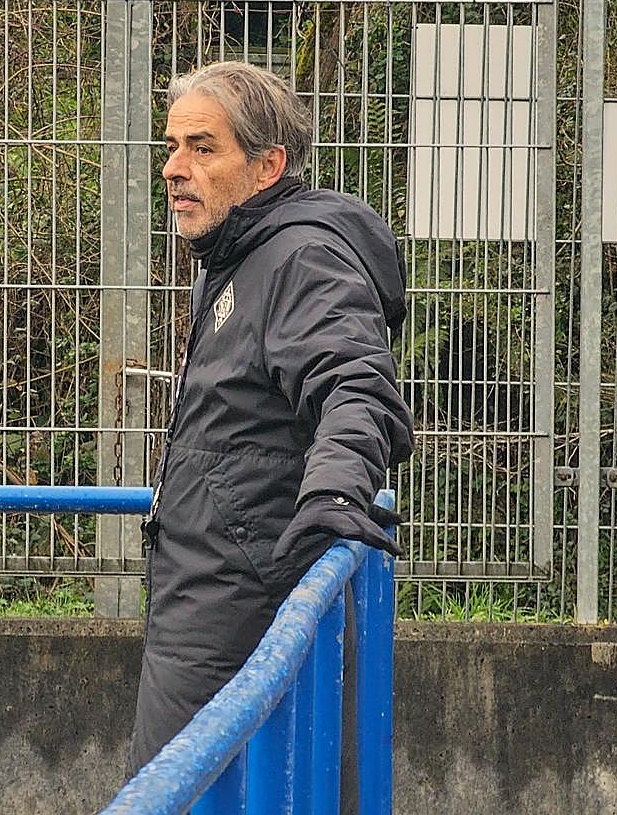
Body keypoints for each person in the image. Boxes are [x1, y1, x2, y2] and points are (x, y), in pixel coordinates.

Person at [128, 61, 415, 781]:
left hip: (239, 602)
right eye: (171, 146)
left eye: (202, 147)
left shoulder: (298, 258)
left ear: (267, 166)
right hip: (207, 591)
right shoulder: (238, 255)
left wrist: (337, 492)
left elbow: (356, 385)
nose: (175, 168)